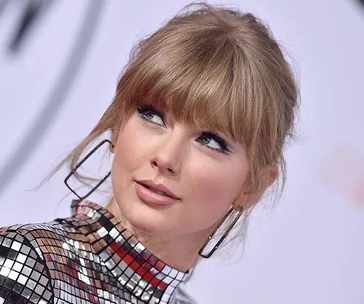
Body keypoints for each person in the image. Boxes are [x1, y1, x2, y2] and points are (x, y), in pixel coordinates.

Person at [0, 2, 299, 304]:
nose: (167, 158)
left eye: (209, 141)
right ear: (118, 124)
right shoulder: (26, 264)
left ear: (252, 186)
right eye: (153, 116)